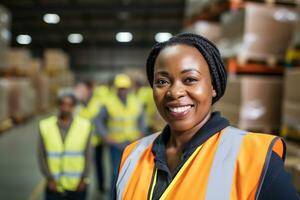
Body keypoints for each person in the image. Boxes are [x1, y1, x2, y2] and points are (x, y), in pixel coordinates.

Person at [113, 33, 299, 199]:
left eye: (190, 80)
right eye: (162, 81)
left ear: (213, 87)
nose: (175, 92)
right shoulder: (132, 155)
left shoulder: (255, 157)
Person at [94, 73, 146, 190]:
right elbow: (98, 121)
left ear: (129, 89)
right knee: (116, 174)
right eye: (120, 89)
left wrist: (142, 133)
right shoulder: (108, 102)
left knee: (132, 172)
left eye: (125, 89)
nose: (123, 91)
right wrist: (105, 136)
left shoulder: (136, 101)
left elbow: (142, 118)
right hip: (116, 144)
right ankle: (114, 196)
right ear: (116, 89)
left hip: (133, 143)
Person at [38, 93, 92, 200]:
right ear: (58, 106)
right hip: (53, 185)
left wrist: (83, 179)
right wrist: (49, 178)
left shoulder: (85, 126)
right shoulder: (46, 125)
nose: (66, 108)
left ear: (74, 107)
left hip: (77, 186)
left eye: (69, 105)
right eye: (63, 104)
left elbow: (89, 155)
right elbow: (41, 155)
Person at [75, 81, 106, 193]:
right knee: (84, 166)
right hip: (82, 142)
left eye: (82, 91)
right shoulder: (77, 107)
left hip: (96, 141)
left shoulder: (97, 103)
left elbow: (102, 120)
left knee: (99, 165)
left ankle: (101, 187)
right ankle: (83, 184)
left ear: (88, 90)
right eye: (79, 91)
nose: (80, 94)